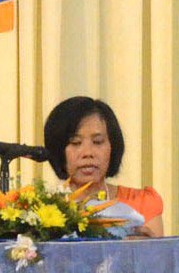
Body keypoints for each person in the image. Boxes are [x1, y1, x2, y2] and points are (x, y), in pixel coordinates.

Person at [42, 95, 162, 238]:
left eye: (98, 142)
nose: (88, 153)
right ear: (58, 150)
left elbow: (159, 252)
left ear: (113, 147)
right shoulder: (42, 212)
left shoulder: (142, 203)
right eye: (76, 143)